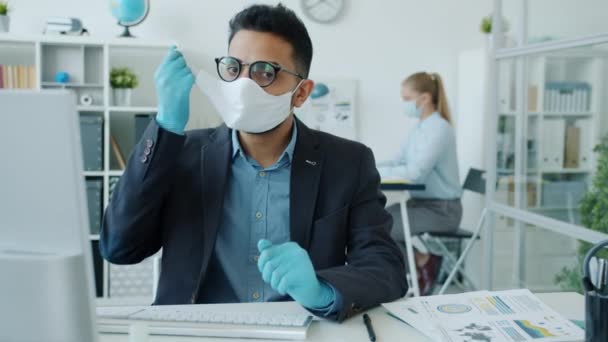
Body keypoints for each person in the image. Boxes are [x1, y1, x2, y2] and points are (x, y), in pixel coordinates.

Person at [100, 4, 406, 322]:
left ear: (301, 93)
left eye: (264, 72)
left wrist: (321, 291)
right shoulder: (183, 153)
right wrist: (164, 128)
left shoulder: (348, 163)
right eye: (234, 68)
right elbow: (120, 247)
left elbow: (386, 268)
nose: (243, 84)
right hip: (197, 330)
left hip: (302, 330)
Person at [378, 72, 463, 296]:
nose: (404, 104)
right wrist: (369, 167)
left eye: (407, 99)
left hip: (443, 211)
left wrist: (378, 172)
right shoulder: (419, 128)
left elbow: (415, 174)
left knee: (379, 227)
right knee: (370, 220)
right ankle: (423, 261)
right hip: (421, 205)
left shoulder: (439, 129)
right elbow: (398, 161)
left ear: (424, 98)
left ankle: (414, 271)